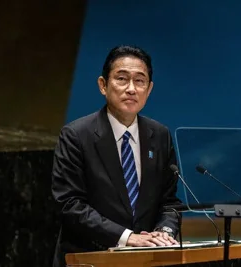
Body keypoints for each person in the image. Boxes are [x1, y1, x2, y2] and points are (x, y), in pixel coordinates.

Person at [51, 45, 182, 267]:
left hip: (144, 260)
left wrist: (163, 233)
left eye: (140, 81)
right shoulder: (76, 135)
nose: (131, 88)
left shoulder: (160, 135)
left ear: (149, 89)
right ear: (103, 85)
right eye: (122, 79)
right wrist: (126, 237)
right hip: (88, 257)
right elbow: (69, 204)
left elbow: (169, 202)